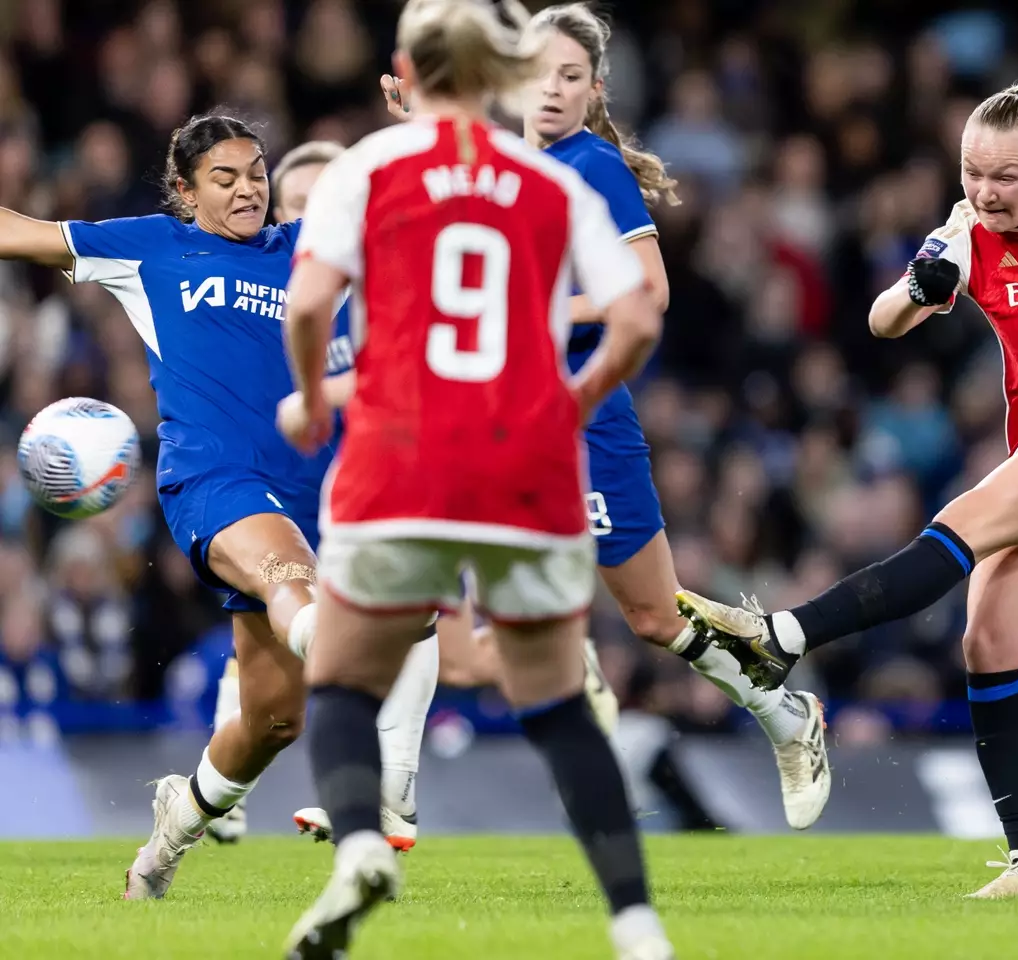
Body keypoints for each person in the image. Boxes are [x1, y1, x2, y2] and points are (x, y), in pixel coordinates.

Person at [676, 83, 1018, 898]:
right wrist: (918, 289)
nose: (985, 191)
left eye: (1005, 176)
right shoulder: (965, 234)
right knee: (988, 641)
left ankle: (784, 638)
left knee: (964, 519)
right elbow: (880, 321)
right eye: (973, 172)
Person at [372, 0, 831, 829]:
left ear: (594, 90)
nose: (551, 91)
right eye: (538, 74)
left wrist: (542, 310)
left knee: (653, 615)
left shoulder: (593, 166)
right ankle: (388, 790)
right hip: (486, 411)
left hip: (579, 419)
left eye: (570, 77)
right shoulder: (494, 157)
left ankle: (786, 717)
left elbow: (647, 291)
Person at [279, 1, 671, 957]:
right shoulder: (547, 182)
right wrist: (572, 402)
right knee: (557, 704)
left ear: (409, 69)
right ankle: (636, 923)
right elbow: (640, 319)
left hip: (399, 458)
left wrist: (310, 402)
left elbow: (310, 304)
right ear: (502, 72)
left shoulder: (366, 167)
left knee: (337, 681)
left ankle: (363, 844)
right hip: (526, 470)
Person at [0, 111, 432, 900]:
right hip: (211, 482)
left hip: (306, 495)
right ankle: (374, 758)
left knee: (273, 720)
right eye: (224, 179)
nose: (247, 190)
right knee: (297, 587)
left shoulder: (308, 248)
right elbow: (20, 231)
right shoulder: (151, 247)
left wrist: (422, 129)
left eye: (256, 173)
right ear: (185, 192)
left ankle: (172, 829)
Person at [204, 140, 441, 852]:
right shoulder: (269, 292)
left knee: (415, 614)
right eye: (297, 206)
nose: (310, 221)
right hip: (285, 499)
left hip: (369, 485)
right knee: (275, 660)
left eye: (324, 206)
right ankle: (228, 796)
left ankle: (388, 787)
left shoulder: (381, 289)